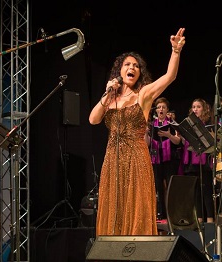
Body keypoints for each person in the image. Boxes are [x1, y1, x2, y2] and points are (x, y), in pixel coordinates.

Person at [89, 28, 186, 236]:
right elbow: (93, 119)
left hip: (136, 159)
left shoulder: (143, 95)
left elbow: (170, 76)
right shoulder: (111, 98)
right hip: (112, 161)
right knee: (114, 209)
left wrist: (175, 51)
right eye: (127, 64)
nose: (132, 67)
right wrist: (107, 95)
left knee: (136, 210)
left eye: (136, 66)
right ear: (120, 71)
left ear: (139, 72)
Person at [179, 98, 215, 223]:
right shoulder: (188, 126)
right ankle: (199, 220)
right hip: (191, 163)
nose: (195, 109)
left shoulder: (209, 125)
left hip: (204, 163)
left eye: (198, 107)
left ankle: (210, 220)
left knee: (206, 191)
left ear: (203, 109)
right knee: (196, 192)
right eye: (193, 107)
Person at [148, 97, 182, 221]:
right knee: (158, 187)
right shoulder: (152, 125)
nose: (161, 109)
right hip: (156, 159)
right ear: (156, 110)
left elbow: (178, 141)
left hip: (171, 159)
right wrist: (146, 134)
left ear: (167, 109)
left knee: (170, 186)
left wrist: (168, 135)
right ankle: (160, 213)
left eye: (163, 107)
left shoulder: (173, 124)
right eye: (158, 107)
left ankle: (172, 213)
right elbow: (148, 143)